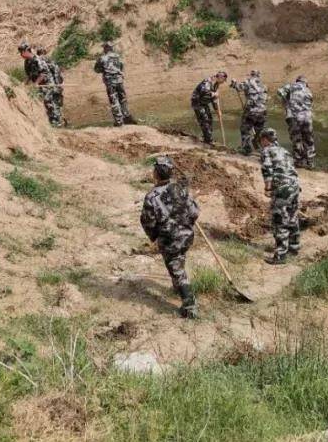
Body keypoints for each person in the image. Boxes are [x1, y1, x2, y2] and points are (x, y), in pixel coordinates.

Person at [139, 156, 200, 318]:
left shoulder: (152, 196)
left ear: (156, 174)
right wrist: (187, 224)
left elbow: (147, 221)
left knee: (177, 269)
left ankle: (190, 305)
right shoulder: (181, 189)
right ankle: (177, 285)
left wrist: (154, 236)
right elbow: (194, 212)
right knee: (179, 261)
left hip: (169, 239)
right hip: (187, 236)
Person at [258, 128, 301, 265]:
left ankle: (281, 255)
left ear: (265, 139)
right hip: (294, 186)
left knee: (279, 220)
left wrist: (268, 188)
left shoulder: (266, 151)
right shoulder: (285, 151)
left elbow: (267, 169)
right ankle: (294, 248)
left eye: (261, 140)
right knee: (293, 216)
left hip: (282, 189)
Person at [19, 41, 64, 127]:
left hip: (47, 84)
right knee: (43, 102)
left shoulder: (37, 60)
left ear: (27, 51)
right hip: (39, 85)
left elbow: (43, 73)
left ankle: (57, 123)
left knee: (49, 102)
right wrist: (24, 84)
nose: (21, 54)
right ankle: (52, 122)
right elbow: (29, 75)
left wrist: (36, 83)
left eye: (22, 52)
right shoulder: (27, 62)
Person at [277, 76, 316, 169]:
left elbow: (280, 92)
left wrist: (286, 102)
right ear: (305, 83)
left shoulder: (291, 86)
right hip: (307, 118)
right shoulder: (308, 91)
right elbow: (310, 103)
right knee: (308, 139)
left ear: (297, 81)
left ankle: (299, 161)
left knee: (297, 139)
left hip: (294, 117)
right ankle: (310, 162)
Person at [230, 70, 268, 155]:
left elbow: (239, 87)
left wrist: (234, 83)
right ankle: (262, 149)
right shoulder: (263, 85)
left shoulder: (248, 82)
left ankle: (246, 149)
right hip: (263, 111)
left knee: (245, 130)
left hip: (251, 111)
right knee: (260, 131)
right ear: (259, 76)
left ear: (252, 75)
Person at [94, 41, 131, 126]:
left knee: (114, 100)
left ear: (106, 48)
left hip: (110, 82)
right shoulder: (118, 57)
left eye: (104, 48)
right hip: (119, 80)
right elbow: (121, 67)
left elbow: (96, 69)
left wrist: (104, 70)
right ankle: (126, 117)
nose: (103, 49)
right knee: (123, 99)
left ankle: (119, 121)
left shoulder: (103, 58)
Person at [190, 71, 228, 145]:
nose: (223, 82)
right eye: (223, 80)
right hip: (197, 103)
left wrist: (217, 110)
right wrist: (214, 94)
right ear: (220, 77)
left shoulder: (216, 84)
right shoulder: (208, 81)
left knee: (210, 119)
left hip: (204, 103)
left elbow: (214, 100)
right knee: (205, 119)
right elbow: (204, 91)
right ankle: (208, 140)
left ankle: (207, 137)